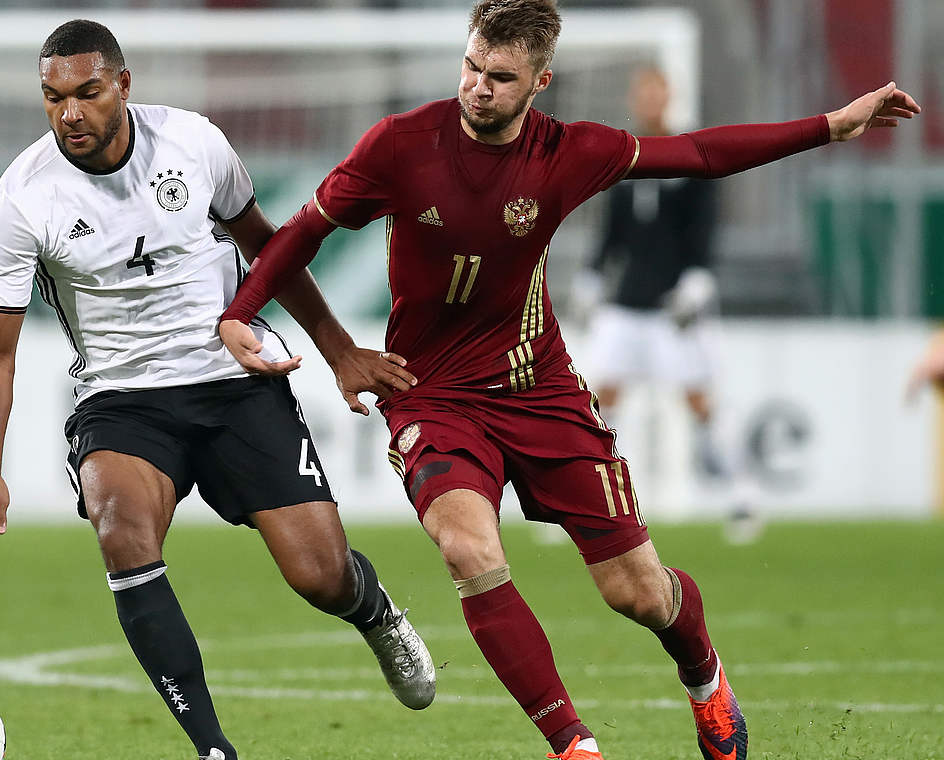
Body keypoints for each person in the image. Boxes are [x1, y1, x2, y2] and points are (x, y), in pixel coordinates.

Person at [218, 2, 920, 758]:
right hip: (431, 394)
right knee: (466, 550)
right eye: (471, 67)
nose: (478, 88)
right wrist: (244, 315)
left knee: (639, 594)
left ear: (540, 81)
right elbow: (301, 234)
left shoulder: (571, 152)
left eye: (500, 77)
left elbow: (699, 154)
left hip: (539, 390)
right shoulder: (400, 145)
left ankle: (705, 676)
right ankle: (573, 745)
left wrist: (829, 125)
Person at [0, 19, 436, 760]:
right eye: (53, 98)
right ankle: (213, 749)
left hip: (232, 382)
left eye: (87, 92)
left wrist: (339, 349)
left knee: (320, 576)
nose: (70, 114)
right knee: (120, 529)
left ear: (124, 84)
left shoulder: (195, 143)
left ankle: (372, 611)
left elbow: (267, 245)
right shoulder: (25, 196)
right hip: (121, 401)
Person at [572, 64, 759, 543]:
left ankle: (743, 495)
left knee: (700, 402)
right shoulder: (622, 161)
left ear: (669, 97)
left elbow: (703, 231)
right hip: (627, 305)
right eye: (644, 92)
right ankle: (584, 505)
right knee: (596, 403)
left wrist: (697, 282)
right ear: (637, 98)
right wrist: (592, 278)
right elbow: (611, 235)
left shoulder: (688, 159)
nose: (650, 100)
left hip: (673, 308)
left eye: (658, 92)